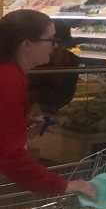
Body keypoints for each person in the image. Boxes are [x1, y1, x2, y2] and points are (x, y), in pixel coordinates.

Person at [0, 10, 96, 198]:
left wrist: (20, 125)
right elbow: (9, 156)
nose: (55, 45)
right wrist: (63, 185)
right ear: (27, 44)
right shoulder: (8, 80)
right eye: (50, 39)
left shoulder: (10, 74)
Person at [29, 21, 82, 114]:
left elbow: (68, 92)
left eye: (60, 42)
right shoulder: (36, 60)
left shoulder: (73, 60)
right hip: (33, 109)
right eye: (53, 42)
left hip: (57, 108)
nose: (56, 46)